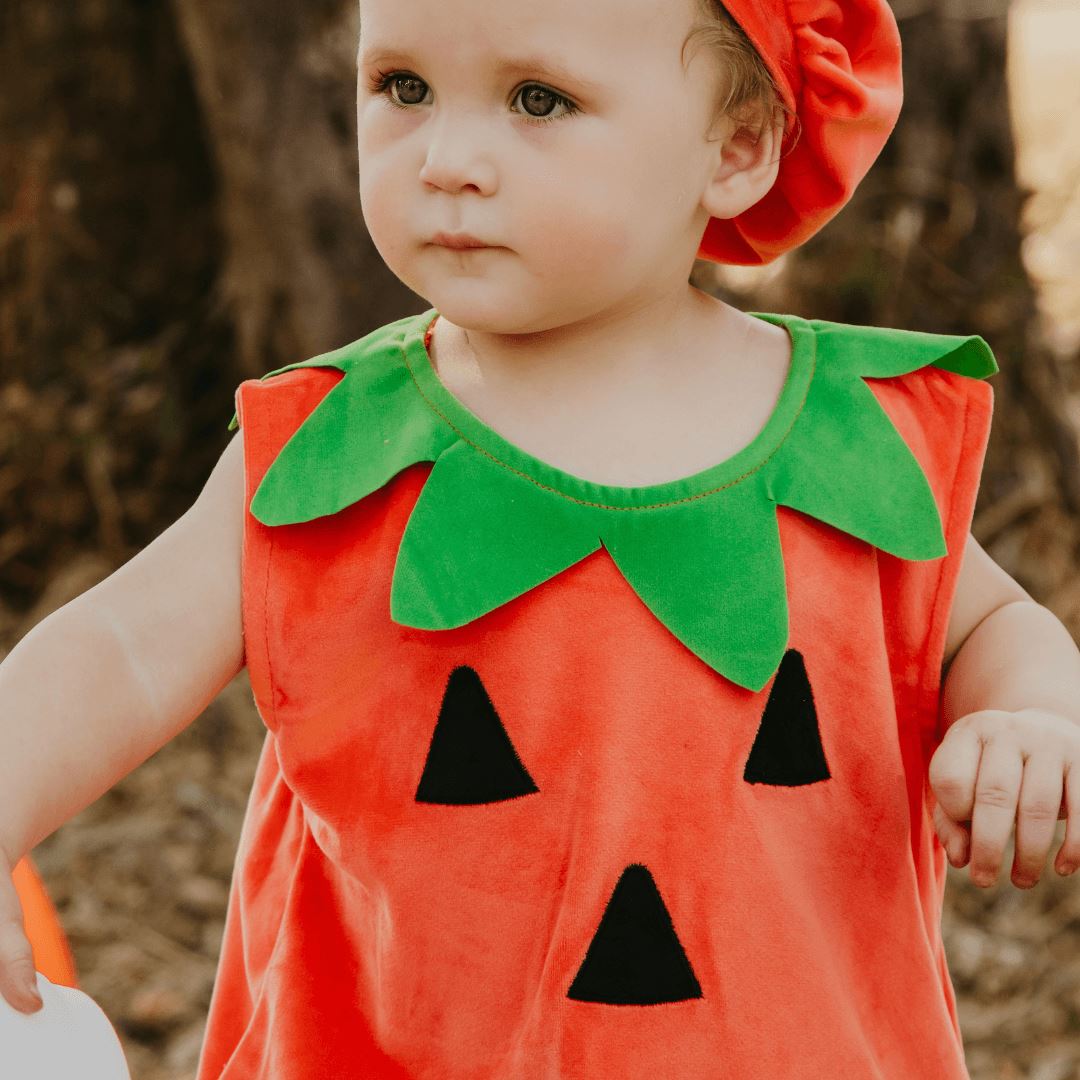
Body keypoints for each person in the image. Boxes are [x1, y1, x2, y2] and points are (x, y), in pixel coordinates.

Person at [2, 0, 1079, 1075]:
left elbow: (982, 620)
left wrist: (1029, 713)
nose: (448, 159)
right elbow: (125, 648)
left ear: (739, 148)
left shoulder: (851, 447)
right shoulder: (336, 451)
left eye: (539, 100)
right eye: (404, 87)